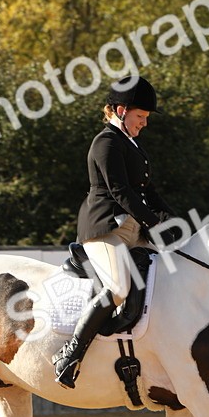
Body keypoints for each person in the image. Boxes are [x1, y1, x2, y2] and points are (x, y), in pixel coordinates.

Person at [52, 76, 178, 389]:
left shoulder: (133, 144)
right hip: (106, 228)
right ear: (121, 110)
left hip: (134, 229)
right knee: (119, 286)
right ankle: (70, 355)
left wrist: (173, 220)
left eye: (146, 118)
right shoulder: (106, 142)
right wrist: (153, 222)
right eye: (140, 117)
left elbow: (149, 191)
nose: (144, 124)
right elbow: (121, 192)